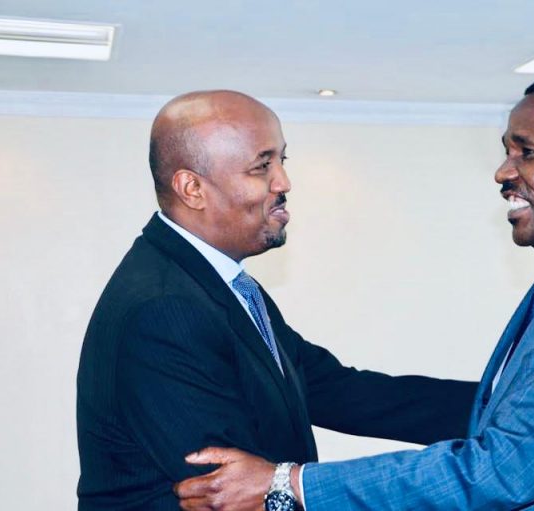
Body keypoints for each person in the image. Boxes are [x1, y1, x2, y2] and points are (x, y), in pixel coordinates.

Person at [175, 71, 534, 510]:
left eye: (526, 152)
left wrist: (285, 486)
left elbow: (502, 467)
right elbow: (502, 414)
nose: (503, 172)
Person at [76, 90, 477, 510]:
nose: (283, 182)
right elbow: (228, 490)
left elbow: (335, 390)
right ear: (192, 188)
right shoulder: (164, 308)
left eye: (282, 161)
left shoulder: (219, 283)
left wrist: (502, 405)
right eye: (261, 166)